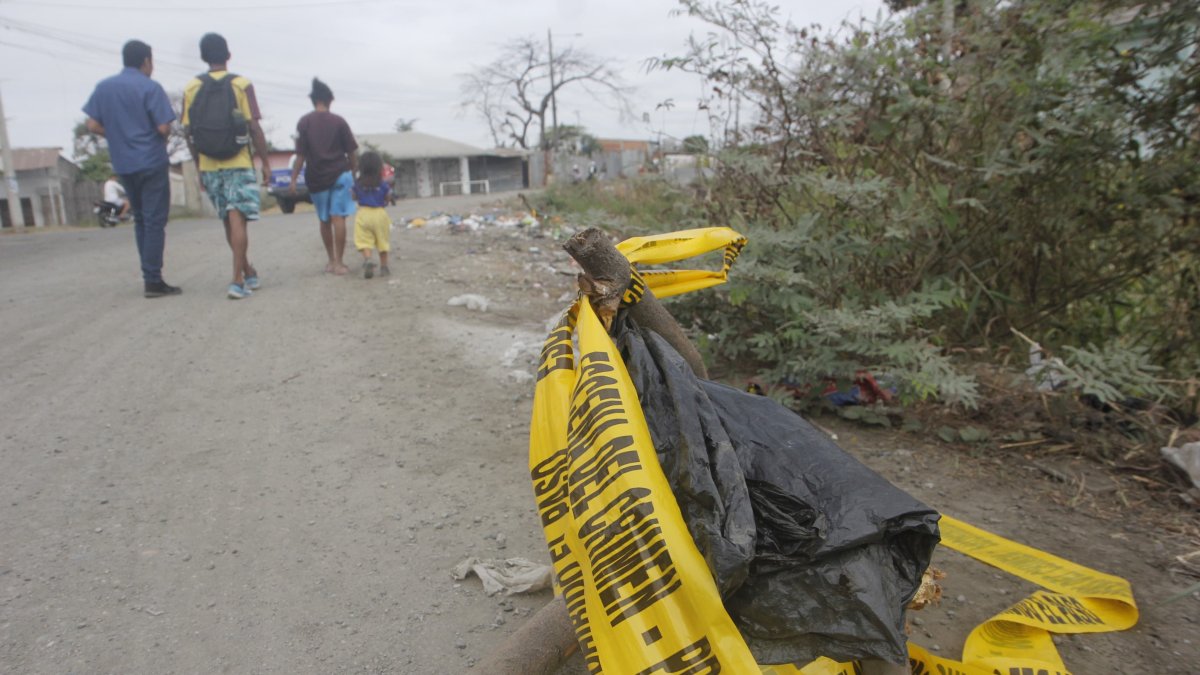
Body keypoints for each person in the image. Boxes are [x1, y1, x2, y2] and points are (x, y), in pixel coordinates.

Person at [82, 40, 179, 298]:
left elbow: (92, 124)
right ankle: (153, 280)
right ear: (146, 61)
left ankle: (149, 275)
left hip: (124, 163)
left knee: (141, 219)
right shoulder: (150, 87)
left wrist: (116, 134)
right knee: (155, 220)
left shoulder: (104, 88)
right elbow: (163, 128)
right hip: (151, 161)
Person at [182, 33, 271, 300]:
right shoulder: (241, 84)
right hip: (237, 161)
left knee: (227, 221)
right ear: (228, 55)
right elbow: (253, 126)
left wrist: (199, 166)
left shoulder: (191, 87)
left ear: (203, 57)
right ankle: (236, 280)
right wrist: (265, 162)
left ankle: (247, 271)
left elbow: (188, 132)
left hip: (210, 163)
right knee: (238, 219)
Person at [290, 78, 358, 275]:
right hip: (340, 174)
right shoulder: (339, 121)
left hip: (317, 177)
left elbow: (300, 155)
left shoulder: (304, 122)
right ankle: (340, 262)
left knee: (325, 219)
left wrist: (294, 179)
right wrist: (354, 173)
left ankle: (330, 261)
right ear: (330, 100)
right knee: (339, 218)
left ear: (313, 100)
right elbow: (351, 152)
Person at [351, 151, 392, 279]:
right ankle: (384, 267)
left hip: (363, 213)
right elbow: (388, 196)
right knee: (382, 240)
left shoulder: (358, 183)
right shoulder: (382, 183)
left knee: (364, 240)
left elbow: (353, 196)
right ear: (379, 167)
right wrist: (386, 200)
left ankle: (368, 259)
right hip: (380, 213)